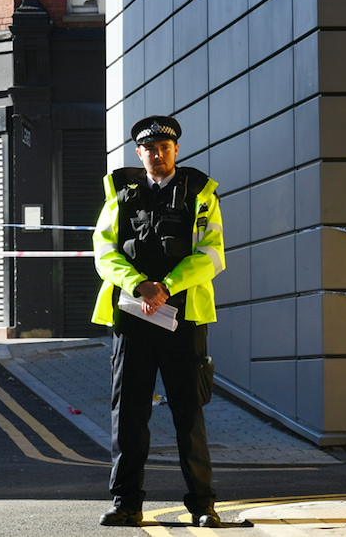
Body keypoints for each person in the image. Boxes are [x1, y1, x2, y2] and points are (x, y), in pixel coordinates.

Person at [91, 114, 226, 528]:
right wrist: (137, 285)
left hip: (183, 319)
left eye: (165, 148)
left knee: (188, 413)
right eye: (149, 148)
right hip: (132, 318)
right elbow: (103, 250)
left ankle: (203, 505)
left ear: (176, 151)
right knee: (128, 413)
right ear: (139, 153)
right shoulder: (120, 192)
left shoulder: (200, 193)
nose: (157, 154)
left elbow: (212, 254)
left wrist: (165, 285)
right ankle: (126, 503)